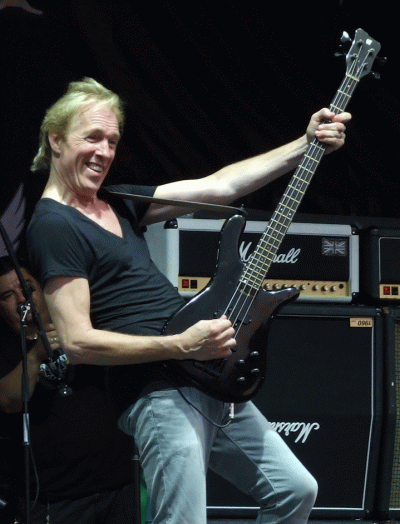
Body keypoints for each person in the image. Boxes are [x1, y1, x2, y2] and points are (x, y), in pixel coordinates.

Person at [26, 77, 351, 524]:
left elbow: (221, 186)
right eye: (93, 137)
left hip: (206, 375)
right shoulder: (54, 225)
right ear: (56, 140)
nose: (104, 151)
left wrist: (305, 142)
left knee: (295, 491)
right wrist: (181, 345)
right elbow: (78, 343)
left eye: (112, 141)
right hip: (157, 391)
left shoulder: (117, 203)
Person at [0, 256, 145, 524]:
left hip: (118, 484)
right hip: (56, 498)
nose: (22, 299)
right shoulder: (6, 345)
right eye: (8, 295)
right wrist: (35, 356)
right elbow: (8, 400)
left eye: (27, 287)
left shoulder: (80, 324)